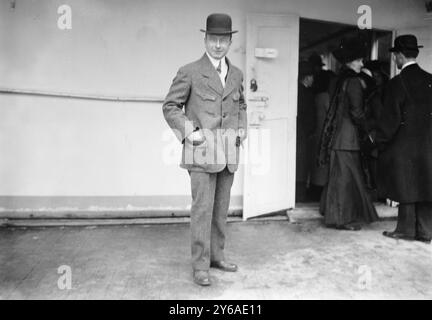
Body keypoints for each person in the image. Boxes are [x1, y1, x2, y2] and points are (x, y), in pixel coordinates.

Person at [162, 13, 247, 286]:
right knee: (202, 210)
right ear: (205, 39)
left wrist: (242, 129)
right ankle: (200, 265)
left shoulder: (236, 74)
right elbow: (170, 107)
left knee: (221, 209)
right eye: (213, 39)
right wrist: (191, 133)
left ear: (230, 41)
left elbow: (241, 105)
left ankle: (217, 256)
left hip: (229, 152)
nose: (218, 45)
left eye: (224, 40)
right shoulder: (189, 71)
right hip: (201, 153)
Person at [318, 37, 379, 230]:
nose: (362, 63)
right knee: (344, 181)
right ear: (351, 61)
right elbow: (357, 112)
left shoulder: (339, 78)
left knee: (340, 178)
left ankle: (336, 215)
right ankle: (341, 220)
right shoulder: (353, 81)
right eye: (360, 60)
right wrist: (368, 130)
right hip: (348, 138)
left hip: (339, 137)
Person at [376, 34, 432, 244]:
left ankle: (406, 230)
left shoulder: (396, 83)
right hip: (428, 145)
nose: (394, 60)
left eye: (395, 56)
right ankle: (426, 232)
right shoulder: (430, 80)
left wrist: (379, 141)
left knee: (406, 185)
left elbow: (390, 119)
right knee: (426, 185)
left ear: (399, 56)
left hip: (404, 146)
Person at [310, 70, 336, 196]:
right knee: (323, 163)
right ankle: (320, 190)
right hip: (324, 131)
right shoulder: (326, 97)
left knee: (315, 162)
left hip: (316, 131)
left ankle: (314, 186)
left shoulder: (316, 95)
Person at [296, 61, 316, 202]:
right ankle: (300, 196)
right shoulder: (308, 94)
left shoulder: (294, 90)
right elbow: (310, 117)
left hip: (296, 132)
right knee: (302, 166)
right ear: (307, 78)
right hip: (303, 134)